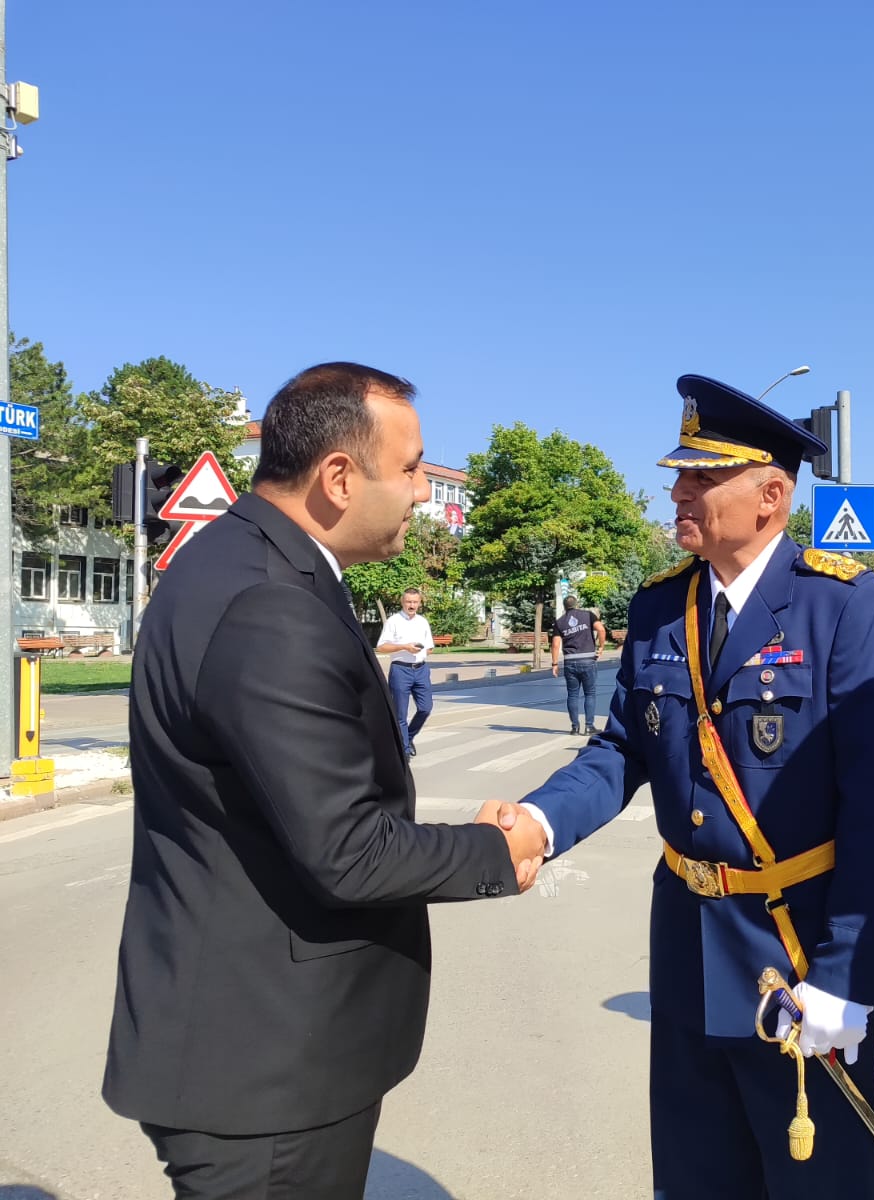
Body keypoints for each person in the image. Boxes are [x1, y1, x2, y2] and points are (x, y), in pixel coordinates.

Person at [102, 362, 547, 1200]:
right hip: (265, 1070)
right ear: (339, 477)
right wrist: (495, 848)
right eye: (413, 469)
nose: (422, 492)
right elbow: (348, 849)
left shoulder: (233, 563)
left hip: (245, 1044)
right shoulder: (271, 603)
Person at [507, 375, 874, 1198]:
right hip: (688, 944)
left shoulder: (843, 605)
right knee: (699, 1176)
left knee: (816, 1180)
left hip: (793, 956)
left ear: (771, 495)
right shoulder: (663, 607)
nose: (678, 491)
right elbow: (621, 747)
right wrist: (537, 822)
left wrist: (846, 977)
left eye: (703, 476)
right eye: (680, 473)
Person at [375, 586, 434, 756]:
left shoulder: (422, 622)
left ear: (419, 603)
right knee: (400, 713)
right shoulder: (394, 621)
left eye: (415, 602)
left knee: (425, 708)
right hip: (401, 670)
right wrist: (404, 647)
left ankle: (407, 737)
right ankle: (405, 751)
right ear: (402, 602)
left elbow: (429, 647)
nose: (411, 605)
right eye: (408, 601)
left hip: (421, 669)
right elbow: (382, 647)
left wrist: (420, 651)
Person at [552, 593, 607, 735]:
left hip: (570, 661)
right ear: (576, 604)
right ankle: (589, 726)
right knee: (590, 693)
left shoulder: (560, 622)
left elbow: (556, 644)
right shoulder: (588, 615)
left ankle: (574, 727)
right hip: (588, 660)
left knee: (572, 694)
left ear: (565, 607)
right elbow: (601, 629)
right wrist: (601, 647)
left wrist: (554, 664)